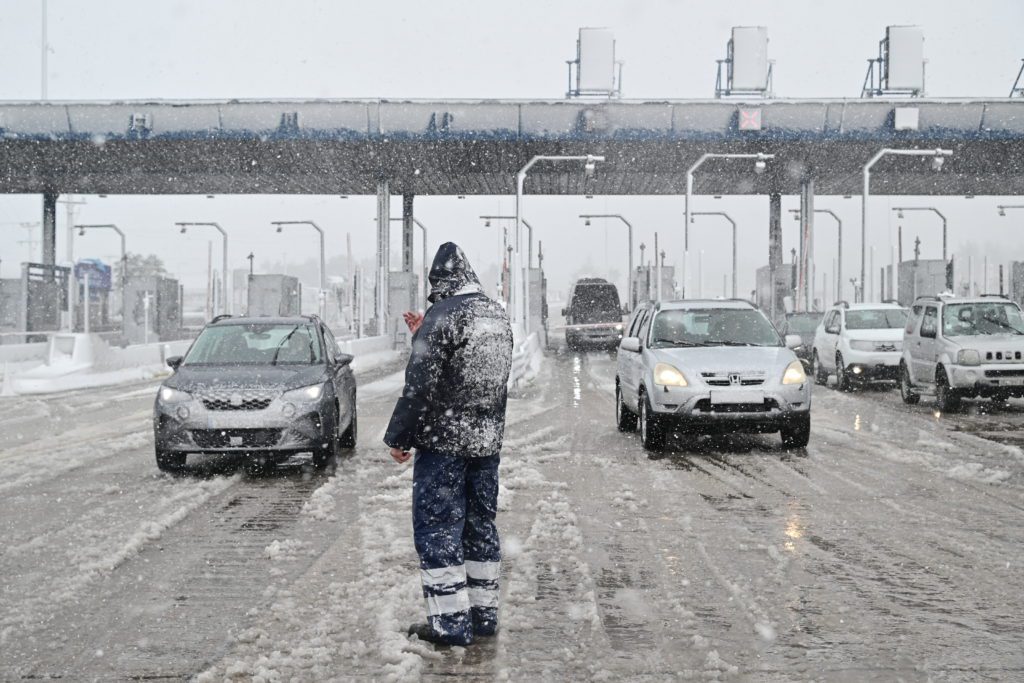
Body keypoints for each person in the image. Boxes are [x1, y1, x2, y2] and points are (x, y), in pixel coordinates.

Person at [384, 242, 514, 646]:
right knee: (479, 528)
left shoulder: (442, 317)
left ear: (442, 282)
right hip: (485, 443)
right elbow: (473, 370)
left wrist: (399, 438)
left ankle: (450, 625)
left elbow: (419, 386)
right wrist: (425, 332)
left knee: (439, 530)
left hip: (444, 444)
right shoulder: (495, 315)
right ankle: (483, 615)